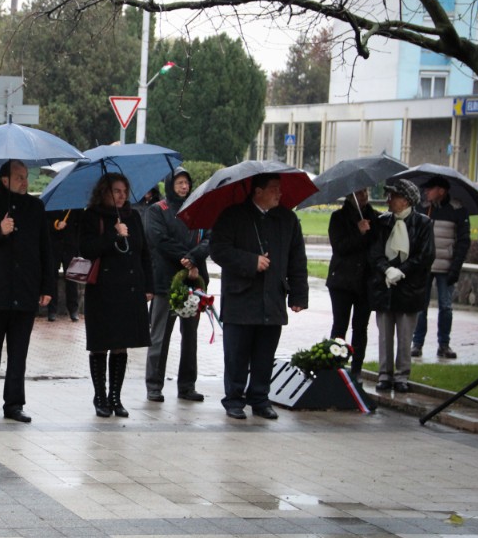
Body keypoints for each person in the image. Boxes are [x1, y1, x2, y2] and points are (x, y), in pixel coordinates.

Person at [210, 173, 308, 420]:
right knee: (237, 354)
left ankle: (260, 398)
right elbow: (218, 250)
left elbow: (297, 258)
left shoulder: (287, 219)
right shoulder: (232, 215)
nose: (279, 193)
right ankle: (234, 399)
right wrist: (250, 261)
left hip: (272, 298)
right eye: (274, 189)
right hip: (240, 299)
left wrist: (298, 295)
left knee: (265, 354)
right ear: (258, 191)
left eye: (280, 188)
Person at [0, 160, 53, 423]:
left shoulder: (35, 207)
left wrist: (47, 286)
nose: (24, 182)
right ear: (4, 179)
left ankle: (14, 403)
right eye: (18, 177)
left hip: (25, 289)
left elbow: (45, 248)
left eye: (25, 177)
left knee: (19, 352)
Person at [78, 173, 154, 418]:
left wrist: (148, 285)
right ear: (104, 192)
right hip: (103, 290)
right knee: (101, 344)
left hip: (129, 289)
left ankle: (115, 397)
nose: (122, 196)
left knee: (121, 345)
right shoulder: (92, 216)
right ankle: (100, 396)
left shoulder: (133, 216)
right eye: (116, 191)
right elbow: (87, 249)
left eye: (124, 191)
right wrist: (114, 235)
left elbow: (144, 253)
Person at [144, 167, 210, 403]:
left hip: (194, 280)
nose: (184, 187)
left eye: (186, 183)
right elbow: (159, 239)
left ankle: (187, 385)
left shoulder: (198, 209)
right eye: (179, 182)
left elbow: (209, 238)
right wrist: (186, 258)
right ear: (171, 184)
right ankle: (154, 385)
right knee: (160, 335)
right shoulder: (157, 210)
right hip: (166, 282)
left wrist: (194, 259)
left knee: (190, 337)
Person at [369, 179, 435, 393]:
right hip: (385, 287)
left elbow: (425, 255)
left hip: (410, 289)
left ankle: (402, 375)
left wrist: (402, 270)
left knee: (405, 336)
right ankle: (384, 374)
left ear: (406, 201)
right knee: (384, 334)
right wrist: (387, 269)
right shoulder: (383, 222)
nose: (388, 200)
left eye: (393, 196)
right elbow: (375, 252)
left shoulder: (423, 223)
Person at [411, 175, 469, 359]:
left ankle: (444, 345)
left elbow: (464, 241)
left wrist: (455, 268)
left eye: (430, 189)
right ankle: (417, 344)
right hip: (425, 267)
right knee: (420, 306)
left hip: (447, 267)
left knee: (445, 307)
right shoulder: (422, 208)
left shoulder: (457, 210)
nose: (426, 192)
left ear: (441, 191)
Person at [325, 189, 379, 383]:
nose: (363, 195)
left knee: (360, 327)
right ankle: (335, 366)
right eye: (359, 192)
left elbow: (377, 247)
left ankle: (357, 369)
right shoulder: (338, 218)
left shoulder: (375, 217)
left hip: (365, 281)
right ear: (350, 195)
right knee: (340, 324)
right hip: (342, 281)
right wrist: (359, 232)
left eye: (365, 191)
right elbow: (340, 247)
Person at [45, 209, 81, 322]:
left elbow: (80, 226)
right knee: (52, 277)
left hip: (70, 246)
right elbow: (44, 222)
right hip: (53, 246)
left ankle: (73, 309)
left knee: (72, 278)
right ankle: (52, 310)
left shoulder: (75, 207)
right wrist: (56, 224)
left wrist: (78, 247)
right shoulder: (51, 206)